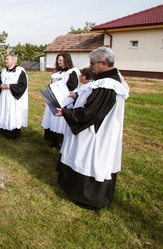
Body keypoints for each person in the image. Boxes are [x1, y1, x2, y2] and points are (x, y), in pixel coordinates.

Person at [55, 47, 129, 210]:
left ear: (103, 63)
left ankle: (87, 197)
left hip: (96, 133)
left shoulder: (108, 85)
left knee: (90, 158)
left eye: (93, 63)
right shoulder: (105, 79)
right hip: (95, 129)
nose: (91, 66)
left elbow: (89, 112)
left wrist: (66, 112)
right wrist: (77, 96)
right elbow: (90, 100)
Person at [41, 52, 80, 148]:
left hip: (64, 100)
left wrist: (60, 93)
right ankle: (52, 139)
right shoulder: (56, 73)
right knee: (53, 118)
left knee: (61, 121)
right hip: (54, 99)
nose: (59, 62)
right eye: (58, 60)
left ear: (66, 60)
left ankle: (60, 141)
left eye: (61, 60)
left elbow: (72, 86)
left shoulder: (72, 72)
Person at [0, 53, 28, 140]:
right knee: (3, 112)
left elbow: (22, 85)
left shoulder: (20, 71)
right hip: (4, 96)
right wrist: (0, 85)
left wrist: (10, 86)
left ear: (13, 61)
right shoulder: (3, 71)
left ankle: (13, 134)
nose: (5, 61)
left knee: (12, 113)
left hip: (13, 97)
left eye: (7, 59)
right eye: (5, 59)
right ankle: (3, 131)